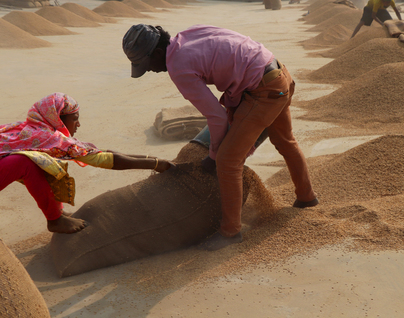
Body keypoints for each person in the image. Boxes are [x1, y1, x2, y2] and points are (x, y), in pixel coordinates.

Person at [122, 24, 318, 251]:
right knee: (286, 141)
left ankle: (230, 232)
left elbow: (216, 117)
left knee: (227, 161)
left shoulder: (178, 67)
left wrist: (214, 155)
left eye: (148, 66)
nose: (151, 71)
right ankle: (307, 197)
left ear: (157, 54)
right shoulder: (189, 35)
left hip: (262, 91)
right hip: (279, 74)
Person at [0, 93, 172, 234]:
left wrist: (153, 159)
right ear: (58, 119)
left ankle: (56, 213)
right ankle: (55, 220)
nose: (78, 124)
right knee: (25, 163)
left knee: (37, 162)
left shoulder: (29, 129)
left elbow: (98, 153)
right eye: (74, 119)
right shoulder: (47, 138)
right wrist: (156, 165)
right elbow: (100, 159)